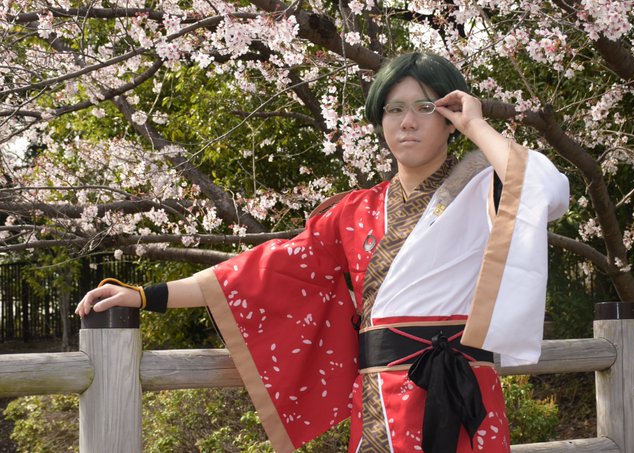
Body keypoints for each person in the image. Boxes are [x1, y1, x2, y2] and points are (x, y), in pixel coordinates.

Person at [76, 52, 569, 453]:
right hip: (382, 397)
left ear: (449, 117)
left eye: (425, 108)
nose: (407, 123)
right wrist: (147, 295)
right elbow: (262, 272)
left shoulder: (483, 188)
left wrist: (478, 126)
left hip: (465, 394)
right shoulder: (353, 212)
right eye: (393, 109)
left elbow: (545, 191)